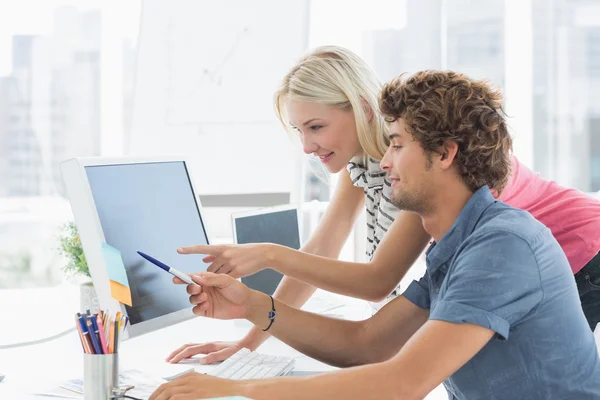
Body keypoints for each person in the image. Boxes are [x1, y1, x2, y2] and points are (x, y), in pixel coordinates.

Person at [151, 70, 600, 400]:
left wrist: (237, 388)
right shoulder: (455, 247)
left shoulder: (501, 246)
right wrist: (250, 305)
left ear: (444, 153)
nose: (385, 162)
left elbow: (402, 381)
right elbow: (367, 344)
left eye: (398, 145)